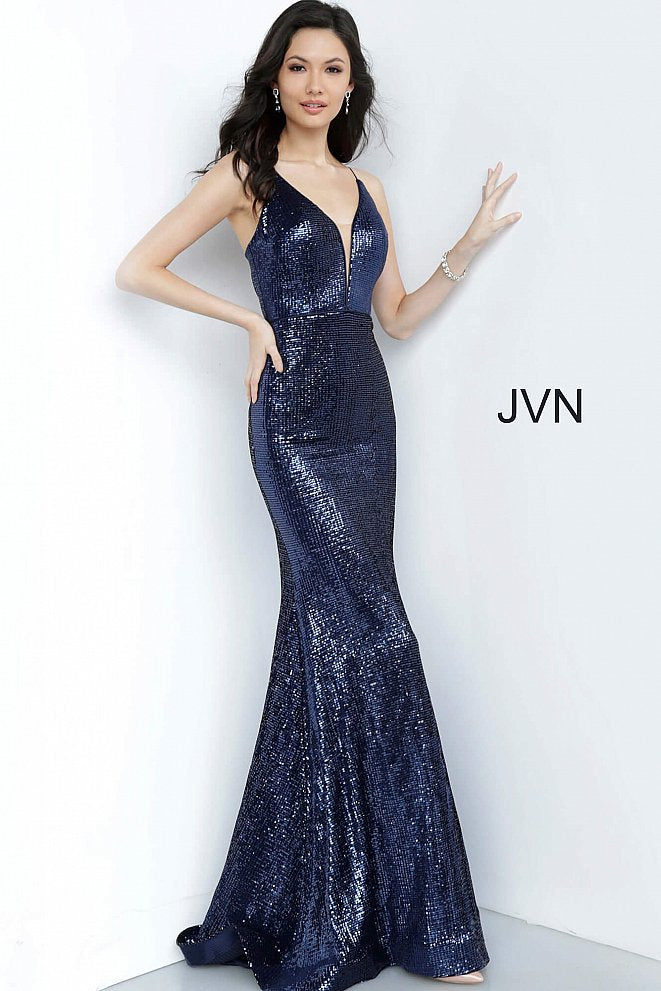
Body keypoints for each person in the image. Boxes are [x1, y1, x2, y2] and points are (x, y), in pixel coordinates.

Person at [115, 2, 521, 988]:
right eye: (297, 66)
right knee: (374, 632)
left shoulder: (367, 186)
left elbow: (399, 317)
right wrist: (249, 323)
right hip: (291, 421)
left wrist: (466, 245)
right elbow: (137, 268)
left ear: (350, 86)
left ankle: (328, 896)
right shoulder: (245, 175)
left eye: (330, 69)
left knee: (330, 641)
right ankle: (413, 922)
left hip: (369, 422)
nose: (313, 84)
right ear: (276, 79)